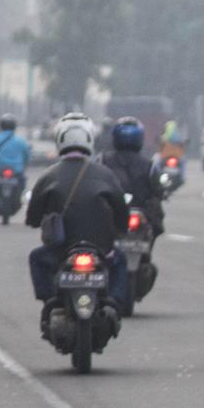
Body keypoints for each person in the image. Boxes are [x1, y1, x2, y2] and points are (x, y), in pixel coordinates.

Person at [25, 113, 130, 317]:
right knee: (120, 261)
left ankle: (50, 302)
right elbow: (121, 212)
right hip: (101, 249)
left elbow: (33, 218)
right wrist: (119, 230)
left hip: (61, 251)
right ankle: (115, 302)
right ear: (90, 139)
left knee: (36, 258)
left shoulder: (48, 176)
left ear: (59, 140)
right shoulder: (105, 174)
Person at [95, 117, 165, 237]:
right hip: (118, 214)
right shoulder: (148, 164)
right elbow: (157, 189)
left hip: (119, 213)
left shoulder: (103, 160)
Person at [0, 113, 31, 209]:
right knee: (23, 181)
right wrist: (26, 163)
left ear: (1, 126)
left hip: (0, 169)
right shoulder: (20, 141)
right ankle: (21, 199)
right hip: (16, 170)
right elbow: (27, 155)